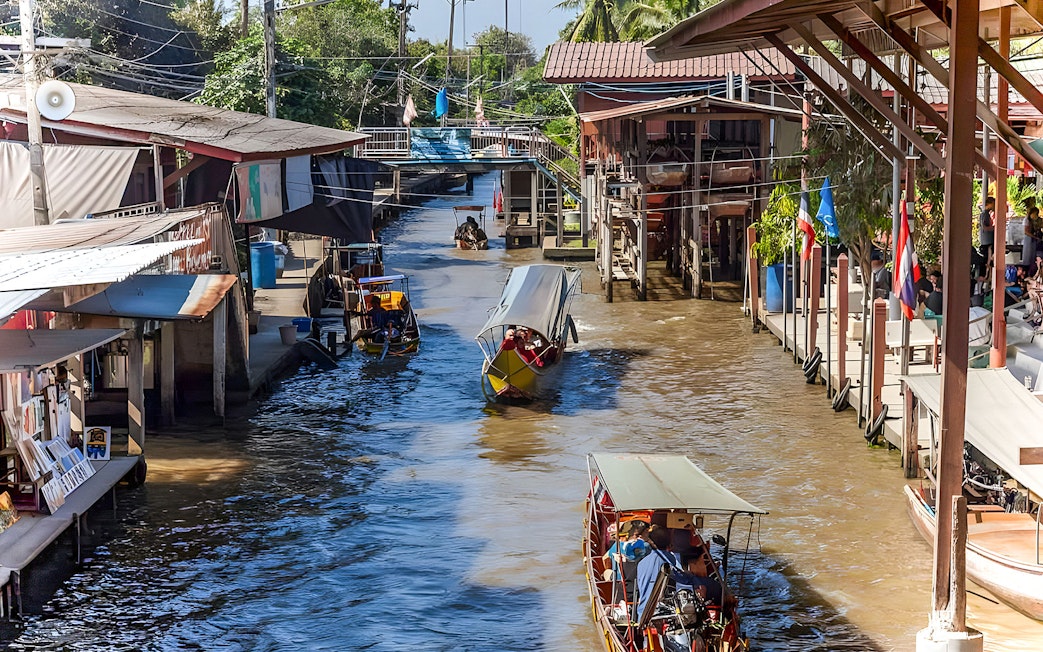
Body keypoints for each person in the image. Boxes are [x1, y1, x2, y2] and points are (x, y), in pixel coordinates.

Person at [978, 196, 996, 281]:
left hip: (987, 240)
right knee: (986, 260)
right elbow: (985, 227)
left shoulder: (987, 214)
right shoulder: (985, 214)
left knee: (988, 259)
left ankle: (986, 276)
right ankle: (984, 276)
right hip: (987, 240)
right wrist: (994, 228)